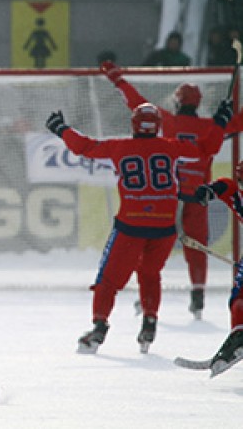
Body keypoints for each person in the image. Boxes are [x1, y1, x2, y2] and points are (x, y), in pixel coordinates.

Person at [45, 100, 231, 354]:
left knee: (108, 281)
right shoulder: (171, 146)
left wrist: (61, 129)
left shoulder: (120, 147)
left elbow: (84, 147)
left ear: (134, 124)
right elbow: (208, 147)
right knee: (149, 274)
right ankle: (149, 322)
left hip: (130, 226)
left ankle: (99, 327)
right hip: (164, 228)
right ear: (158, 126)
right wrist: (220, 121)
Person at [101, 60, 226, 319]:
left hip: (169, 196)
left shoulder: (167, 121)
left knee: (148, 251)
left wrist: (118, 80)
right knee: (197, 245)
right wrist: (223, 120)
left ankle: (144, 300)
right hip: (199, 194)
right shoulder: (207, 127)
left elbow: (137, 104)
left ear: (178, 102)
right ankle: (198, 294)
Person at [192, 161, 243, 376]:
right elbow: (226, 187)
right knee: (238, 298)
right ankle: (239, 336)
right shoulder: (238, 193)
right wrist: (210, 190)